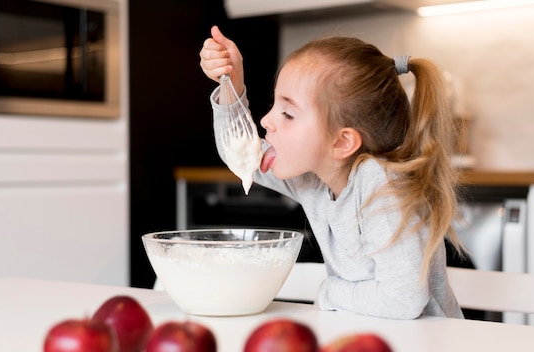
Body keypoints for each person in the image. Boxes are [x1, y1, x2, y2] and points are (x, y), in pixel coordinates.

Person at [199, 25, 465, 319]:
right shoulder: (313, 179)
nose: (266, 120)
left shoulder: (381, 188)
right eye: (275, 105)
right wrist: (231, 87)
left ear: (341, 142)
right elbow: (241, 155)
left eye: (288, 114)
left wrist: (330, 291)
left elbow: (404, 300)